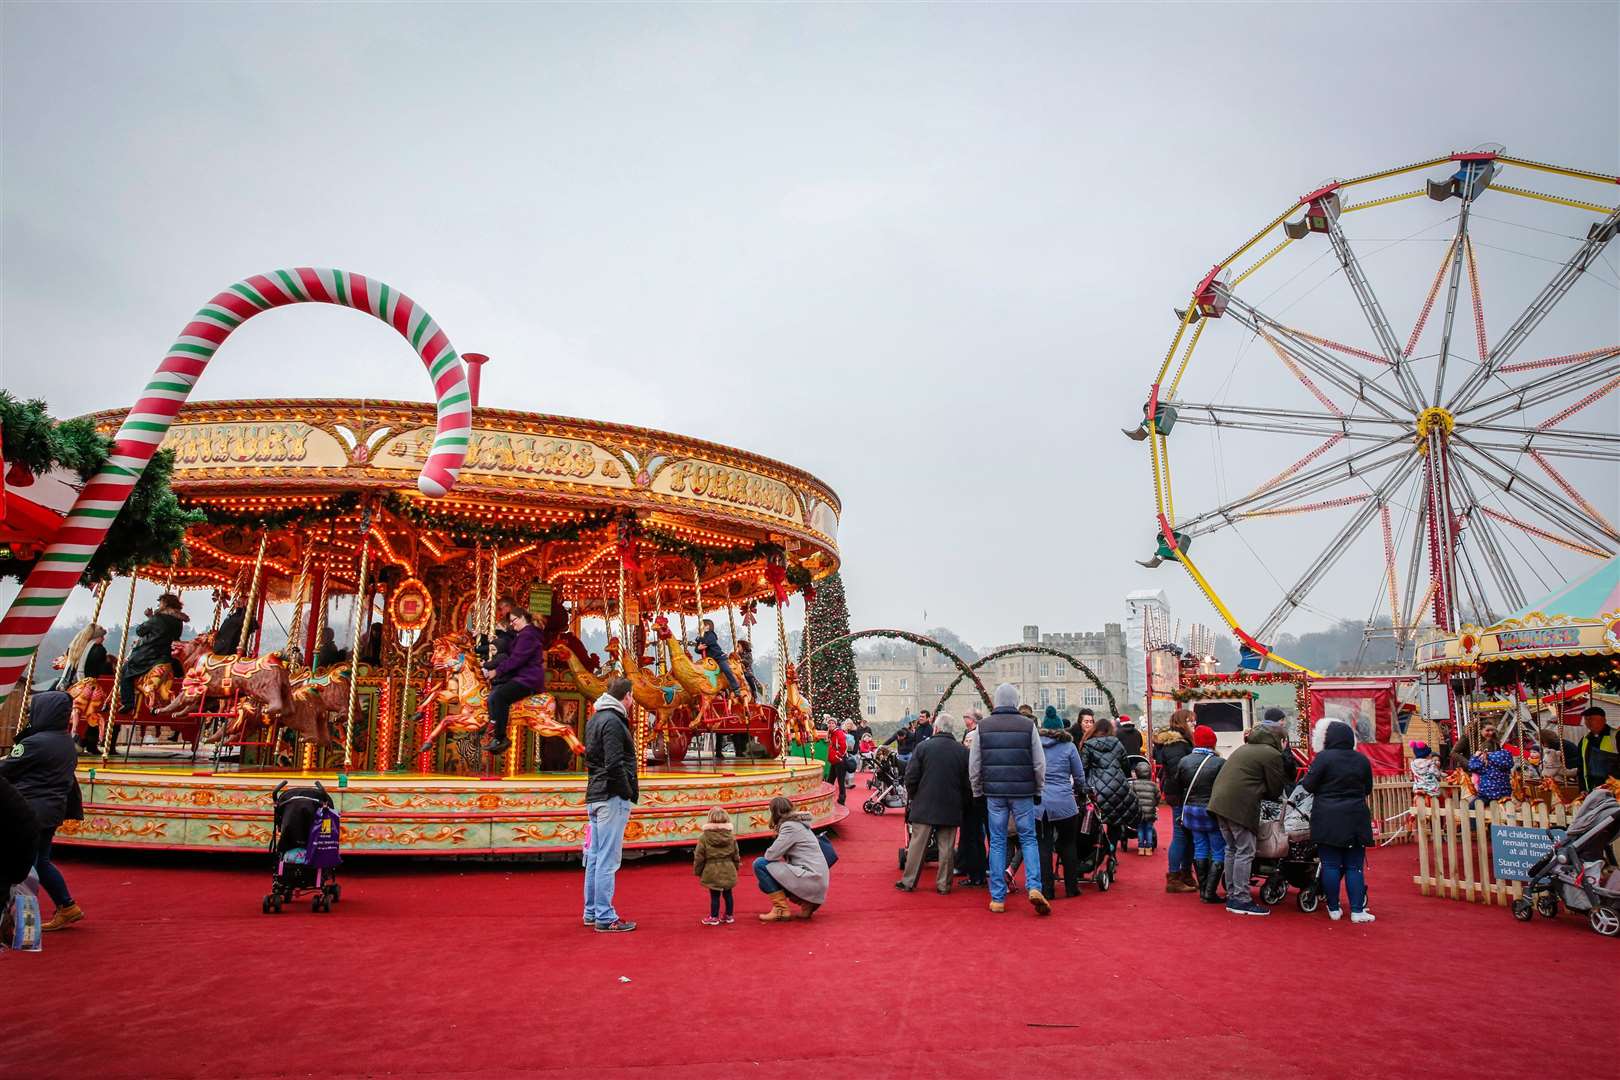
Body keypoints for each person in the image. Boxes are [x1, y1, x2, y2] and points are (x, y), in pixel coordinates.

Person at [0, 691, 85, 930]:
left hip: (29, 810)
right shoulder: (65, 740)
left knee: (26, 866)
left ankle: (23, 922)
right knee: (42, 861)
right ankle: (66, 906)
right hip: (52, 809)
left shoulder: (35, 743)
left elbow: (7, 769)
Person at [968, 683, 1050, 915]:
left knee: (997, 841)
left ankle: (998, 897)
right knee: (1028, 839)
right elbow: (1039, 763)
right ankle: (1034, 886)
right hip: (1023, 791)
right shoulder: (1028, 726)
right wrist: (1038, 789)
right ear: (1015, 701)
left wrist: (977, 790)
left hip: (994, 792)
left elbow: (974, 764)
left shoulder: (983, 727)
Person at [1207, 723, 1288, 916]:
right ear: (1282, 740)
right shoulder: (1272, 754)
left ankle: (1233, 892)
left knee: (1232, 849)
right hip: (1240, 806)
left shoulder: (1244, 749)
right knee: (1245, 850)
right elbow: (1276, 789)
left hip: (1219, 803)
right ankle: (1241, 899)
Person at [1299, 720, 1376, 923]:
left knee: (1330, 865)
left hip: (1327, 817)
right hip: (1356, 816)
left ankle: (1333, 907)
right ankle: (1358, 910)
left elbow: (1308, 785)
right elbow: (1368, 788)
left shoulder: (1323, 758)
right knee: (1354, 867)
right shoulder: (1361, 760)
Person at [583, 677, 638, 933]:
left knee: (594, 856)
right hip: (611, 796)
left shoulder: (594, 719)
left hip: (595, 794)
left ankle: (591, 911)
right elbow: (614, 763)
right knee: (607, 858)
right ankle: (605, 915)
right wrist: (626, 791)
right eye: (632, 696)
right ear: (626, 696)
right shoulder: (614, 722)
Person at [898, 713, 973, 894]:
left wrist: (915, 796)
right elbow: (967, 782)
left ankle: (909, 881)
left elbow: (911, 776)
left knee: (917, 845)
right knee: (946, 848)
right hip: (951, 804)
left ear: (936, 728)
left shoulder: (923, 747)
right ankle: (943, 885)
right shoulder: (962, 751)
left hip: (924, 803)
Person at [1035, 709, 1085, 899]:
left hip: (1040, 804)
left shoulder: (1036, 746)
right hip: (1064, 800)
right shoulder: (1069, 746)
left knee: (1044, 846)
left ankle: (1047, 889)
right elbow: (1078, 775)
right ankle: (1072, 887)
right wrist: (1081, 790)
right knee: (1068, 844)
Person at [481, 608, 546, 755]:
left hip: (528, 678)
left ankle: (501, 737)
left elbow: (516, 659)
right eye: (510, 622)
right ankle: (494, 728)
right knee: (493, 695)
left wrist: (497, 671)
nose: (512, 624)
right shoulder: (523, 635)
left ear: (522, 618)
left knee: (500, 697)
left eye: (513, 620)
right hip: (521, 676)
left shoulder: (528, 635)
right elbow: (507, 648)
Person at [755, 795, 830, 921]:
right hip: (817, 879)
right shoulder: (799, 824)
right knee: (765, 881)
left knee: (760, 864)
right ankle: (807, 904)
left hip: (810, 878)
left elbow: (771, 855)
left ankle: (781, 909)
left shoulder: (789, 826)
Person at [1177, 724, 1227, 904]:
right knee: (1218, 849)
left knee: (1199, 847)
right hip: (1211, 810)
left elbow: (1179, 785)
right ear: (1212, 743)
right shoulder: (1220, 763)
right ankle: (1210, 892)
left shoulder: (1184, 761)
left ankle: (1203, 890)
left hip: (1190, 810)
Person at [117, 592, 186, 712]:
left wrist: (150, 617)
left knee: (125, 671)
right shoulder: (178, 621)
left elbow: (140, 631)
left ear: (164, 604)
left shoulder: (157, 618)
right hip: (168, 656)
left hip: (150, 654)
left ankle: (128, 702)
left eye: (160, 603)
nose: (158, 605)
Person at [1155, 709, 1198, 893]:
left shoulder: (1176, 743)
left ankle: (1185, 874)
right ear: (1182, 722)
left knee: (1187, 836)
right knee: (1181, 835)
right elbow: (1178, 773)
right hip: (1181, 794)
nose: (1194, 724)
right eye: (1191, 721)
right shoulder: (1177, 745)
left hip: (1181, 793)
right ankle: (1174, 876)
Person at [1079, 717, 1139, 848]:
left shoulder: (1088, 745)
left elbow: (1083, 768)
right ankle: (1111, 849)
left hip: (1095, 788)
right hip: (1117, 786)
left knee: (1094, 819)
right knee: (1115, 821)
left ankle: (1097, 847)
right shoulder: (1117, 743)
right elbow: (1125, 766)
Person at [955, 710, 988, 888]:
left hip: (973, 791)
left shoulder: (974, 736)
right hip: (984, 790)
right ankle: (976, 871)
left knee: (973, 834)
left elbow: (972, 764)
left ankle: (976, 874)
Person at [693, 806, 740, 925]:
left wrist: (698, 870)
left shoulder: (704, 838)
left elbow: (699, 856)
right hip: (728, 867)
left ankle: (714, 916)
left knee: (714, 895)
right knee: (728, 894)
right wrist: (736, 867)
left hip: (711, 869)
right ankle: (729, 915)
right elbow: (736, 854)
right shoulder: (731, 837)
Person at [1467, 725, 1513, 804]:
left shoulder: (1484, 759)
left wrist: (1475, 756)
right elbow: (1510, 764)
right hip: (1505, 794)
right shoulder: (1505, 755)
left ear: (1484, 751)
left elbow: (1471, 767)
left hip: (1487, 795)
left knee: (1470, 809)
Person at [694, 619, 739, 694]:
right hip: (709, 660)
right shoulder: (702, 637)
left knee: (726, 669)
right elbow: (697, 649)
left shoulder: (711, 634)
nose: (699, 627)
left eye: (701, 626)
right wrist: (698, 648)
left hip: (718, 657)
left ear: (707, 627)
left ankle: (735, 687)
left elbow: (707, 642)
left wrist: (699, 639)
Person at [1577, 706, 1616, 792]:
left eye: (1591, 719)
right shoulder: (1584, 740)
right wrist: (1582, 788)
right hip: (1590, 790)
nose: (1588, 722)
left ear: (1603, 720)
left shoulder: (1616, 736)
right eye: (1586, 719)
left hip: (1613, 791)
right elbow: (1580, 766)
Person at [1130, 760, 1159, 855]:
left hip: (1138, 811)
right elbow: (1157, 796)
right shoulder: (1153, 785)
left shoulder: (1134, 785)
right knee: (1149, 828)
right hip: (1150, 811)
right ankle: (1149, 848)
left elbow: (1131, 797)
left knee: (1140, 828)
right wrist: (1154, 804)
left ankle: (1141, 847)